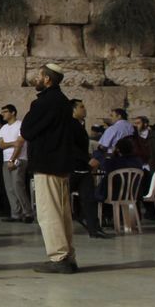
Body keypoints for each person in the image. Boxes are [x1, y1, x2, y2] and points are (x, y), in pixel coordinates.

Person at [18, 63, 79, 274]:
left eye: (39, 75)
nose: (36, 78)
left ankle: (58, 257)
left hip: (47, 163)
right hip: (61, 164)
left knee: (49, 212)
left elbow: (26, 130)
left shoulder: (44, 103)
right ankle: (68, 255)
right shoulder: (63, 102)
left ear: (47, 79)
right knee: (63, 213)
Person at [69, 99, 110, 239]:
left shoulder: (79, 125)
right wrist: (87, 161)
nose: (84, 109)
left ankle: (94, 228)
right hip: (73, 169)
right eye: (81, 107)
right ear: (73, 110)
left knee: (89, 200)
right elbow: (72, 148)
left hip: (83, 169)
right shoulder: (70, 125)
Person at [0, 104, 33, 223]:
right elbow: (1, 145)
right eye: (2, 112)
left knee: (18, 186)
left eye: (5, 111)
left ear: (13, 113)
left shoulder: (20, 125)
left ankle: (27, 213)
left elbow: (20, 144)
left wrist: (13, 159)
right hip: (5, 160)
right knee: (10, 188)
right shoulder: (3, 128)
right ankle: (16, 213)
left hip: (19, 159)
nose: (3, 114)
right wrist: (13, 143)